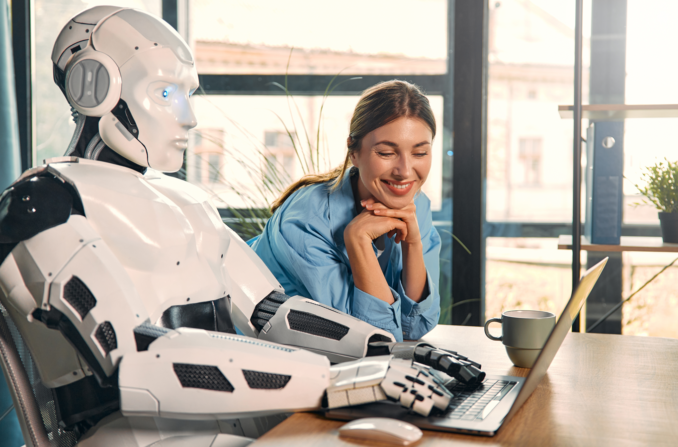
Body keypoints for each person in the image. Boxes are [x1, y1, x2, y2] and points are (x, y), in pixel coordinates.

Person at [0, 8, 465, 446]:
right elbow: (134, 360)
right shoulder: (45, 203)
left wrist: (393, 353)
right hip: (139, 432)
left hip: (243, 417)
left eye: (189, 95)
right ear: (94, 86)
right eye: (166, 93)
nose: (189, 116)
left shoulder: (187, 201)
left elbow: (272, 312)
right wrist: (334, 382)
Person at [251, 80, 441, 342]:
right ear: (354, 152)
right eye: (386, 152)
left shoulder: (416, 206)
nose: (405, 171)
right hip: (256, 353)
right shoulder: (305, 219)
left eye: (420, 152)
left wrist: (413, 243)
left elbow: (418, 324)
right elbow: (371, 341)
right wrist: (358, 240)